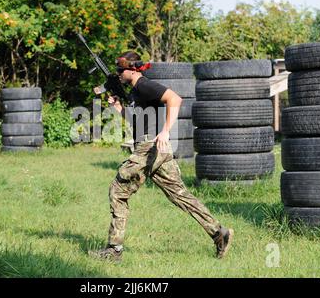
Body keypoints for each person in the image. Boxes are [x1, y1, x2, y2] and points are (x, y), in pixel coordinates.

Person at [89, 51, 233, 262]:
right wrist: (118, 107)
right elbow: (136, 122)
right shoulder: (136, 92)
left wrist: (166, 131)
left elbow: (175, 98)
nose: (118, 74)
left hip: (149, 148)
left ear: (131, 70)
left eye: (121, 70)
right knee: (180, 195)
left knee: (118, 191)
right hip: (157, 150)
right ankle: (219, 233)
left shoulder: (144, 85)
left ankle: (114, 250)